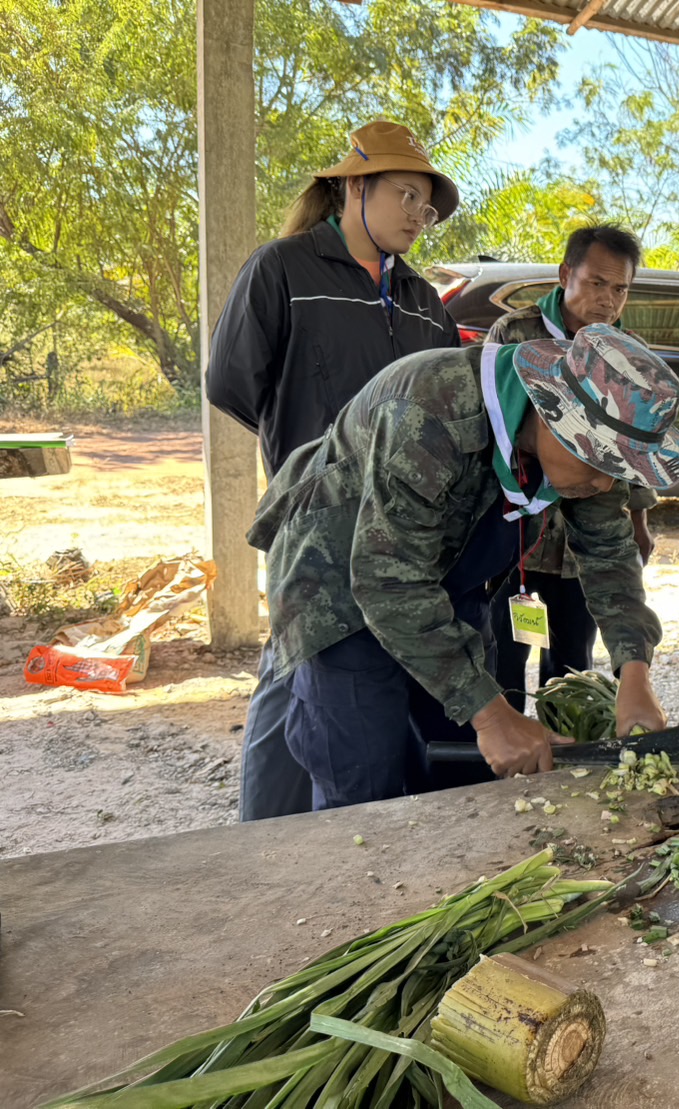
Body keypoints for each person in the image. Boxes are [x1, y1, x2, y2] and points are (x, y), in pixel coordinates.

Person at [245, 323, 679, 809]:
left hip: (443, 582)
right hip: (340, 594)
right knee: (363, 781)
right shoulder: (427, 412)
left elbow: (608, 552)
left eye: (619, 470)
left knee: (459, 777)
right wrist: (491, 715)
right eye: (600, 464)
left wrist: (634, 671)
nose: (607, 487)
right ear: (549, 414)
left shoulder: (584, 462)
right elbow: (387, 581)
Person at [205, 121, 462, 821]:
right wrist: (303, 453)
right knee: (294, 664)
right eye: (405, 194)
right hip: (313, 519)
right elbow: (230, 382)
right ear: (354, 187)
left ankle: (336, 827)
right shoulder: (283, 270)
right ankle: (262, 840)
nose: (418, 213)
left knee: (343, 678)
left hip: (400, 522)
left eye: (427, 204)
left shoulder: (419, 298)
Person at [487, 225, 657, 709]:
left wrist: (639, 521)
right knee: (503, 652)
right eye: (597, 283)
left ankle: (563, 764)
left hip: (586, 542)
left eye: (619, 288)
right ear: (566, 275)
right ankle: (503, 759)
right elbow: (494, 428)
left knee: (572, 664)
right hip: (518, 537)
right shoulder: (516, 334)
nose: (607, 300)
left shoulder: (628, 354)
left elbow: (634, 452)